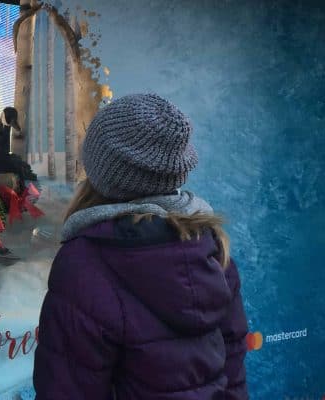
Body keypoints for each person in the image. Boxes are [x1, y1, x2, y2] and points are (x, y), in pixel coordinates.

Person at [33, 94, 248, 399]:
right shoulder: (212, 247)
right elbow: (234, 369)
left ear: (101, 170)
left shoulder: (84, 264)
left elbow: (67, 389)